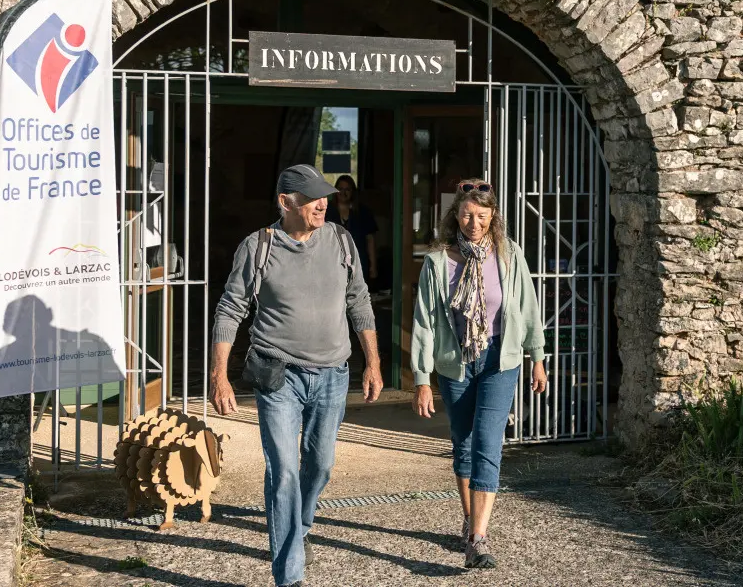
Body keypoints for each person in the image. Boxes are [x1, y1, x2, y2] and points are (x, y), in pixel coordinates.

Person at [210, 164, 382, 587]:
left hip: (332, 374)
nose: (322, 203)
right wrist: (219, 375)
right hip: (279, 375)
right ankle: (289, 575)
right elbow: (230, 310)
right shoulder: (258, 246)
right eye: (311, 198)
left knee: (320, 465)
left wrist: (373, 362)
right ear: (286, 202)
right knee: (284, 470)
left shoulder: (341, 241)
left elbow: (359, 301)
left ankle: (300, 524)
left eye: (324, 195)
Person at [411, 178, 547, 570]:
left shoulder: (509, 255)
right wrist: (422, 379)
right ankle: (470, 519)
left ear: (493, 218)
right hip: (455, 363)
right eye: (467, 215)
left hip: (499, 360)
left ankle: (478, 538)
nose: (474, 223)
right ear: (455, 216)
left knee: (489, 444)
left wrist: (537, 356)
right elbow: (424, 323)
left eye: (482, 216)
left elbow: (527, 308)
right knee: (464, 445)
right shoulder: (438, 263)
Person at [325, 175, 379, 289]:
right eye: (340, 189)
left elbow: (370, 240)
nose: (343, 193)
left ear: (353, 192)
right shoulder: (326, 211)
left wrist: (373, 266)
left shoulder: (363, 212)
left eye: (347, 189)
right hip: (332, 262)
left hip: (359, 261)